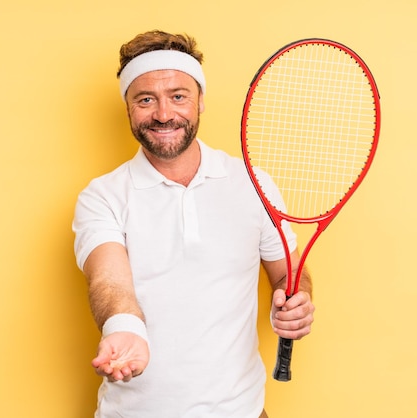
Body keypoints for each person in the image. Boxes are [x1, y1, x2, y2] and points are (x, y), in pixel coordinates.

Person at [73, 30, 315, 418]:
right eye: (145, 99)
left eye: (178, 96)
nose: (164, 114)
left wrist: (296, 299)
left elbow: (287, 272)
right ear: (127, 108)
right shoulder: (102, 196)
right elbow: (108, 280)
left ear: (201, 100)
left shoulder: (254, 184)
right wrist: (124, 329)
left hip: (243, 411)